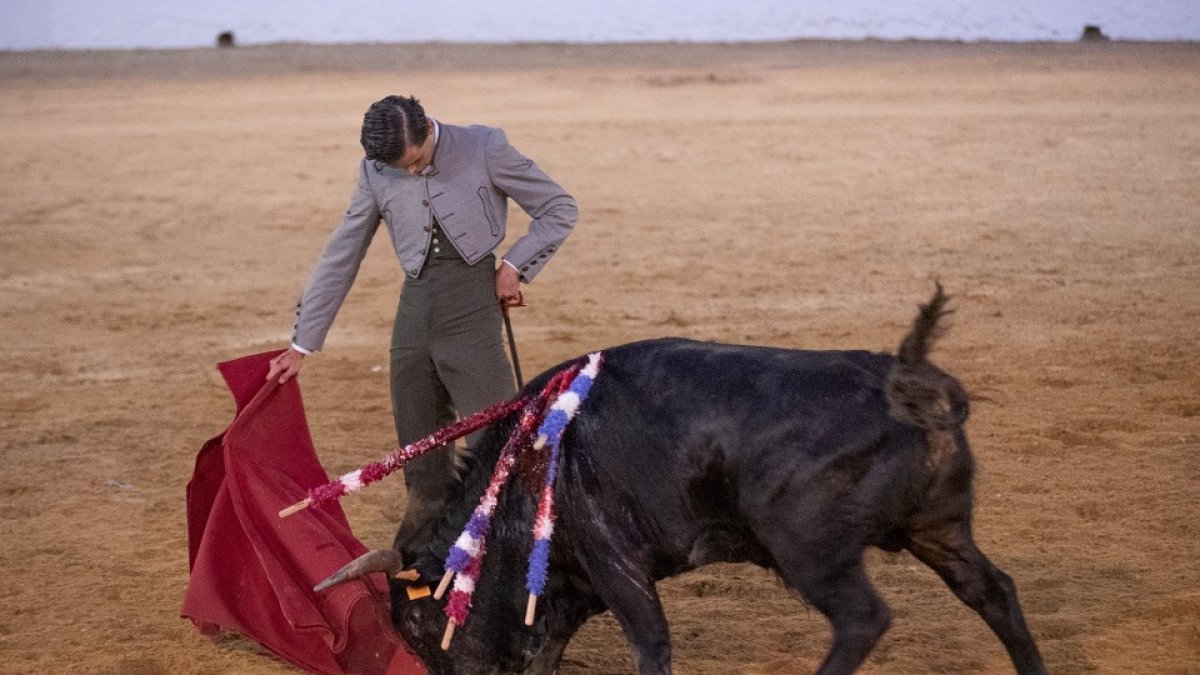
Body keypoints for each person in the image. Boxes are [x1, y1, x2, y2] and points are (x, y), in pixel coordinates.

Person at [266, 95, 578, 550]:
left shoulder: (484, 146)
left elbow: (558, 208)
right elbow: (343, 252)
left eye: (415, 161)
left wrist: (514, 267)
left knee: (500, 453)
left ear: (426, 129)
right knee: (422, 463)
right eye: (400, 168)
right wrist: (302, 344)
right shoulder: (375, 170)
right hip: (413, 320)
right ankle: (425, 562)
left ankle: (522, 558)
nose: (410, 173)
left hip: (473, 311)